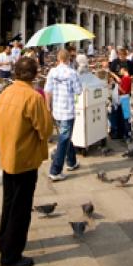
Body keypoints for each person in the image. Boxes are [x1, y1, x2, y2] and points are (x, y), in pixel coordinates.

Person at [0, 56, 53, 266]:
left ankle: (3, 242)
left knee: (9, 202)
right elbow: (45, 130)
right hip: (25, 158)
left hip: (7, 155)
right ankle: (11, 256)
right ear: (35, 74)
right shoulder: (33, 98)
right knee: (21, 207)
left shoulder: (5, 93)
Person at [44, 48, 82, 181]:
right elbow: (78, 91)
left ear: (58, 59)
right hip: (68, 110)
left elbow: (47, 91)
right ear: (68, 59)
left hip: (57, 110)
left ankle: (72, 162)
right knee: (64, 139)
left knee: (65, 136)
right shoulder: (72, 73)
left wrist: (48, 106)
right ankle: (55, 170)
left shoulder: (52, 72)